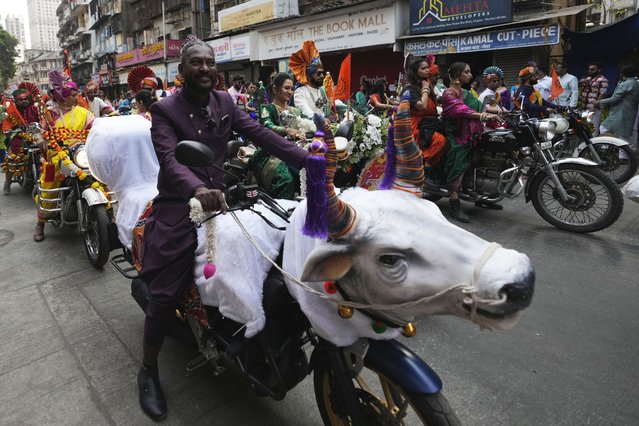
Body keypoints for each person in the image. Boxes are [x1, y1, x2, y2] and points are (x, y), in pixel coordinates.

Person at [136, 36, 309, 421]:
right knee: (163, 293)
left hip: (225, 196)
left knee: (281, 240)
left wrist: (309, 159)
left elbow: (261, 135)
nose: (205, 69)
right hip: (181, 205)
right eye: (195, 63)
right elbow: (169, 159)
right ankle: (148, 369)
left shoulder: (226, 101)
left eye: (210, 63)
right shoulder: (165, 110)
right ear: (181, 72)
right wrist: (196, 188)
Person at [33, 70, 95, 242]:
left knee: (101, 174)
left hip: (82, 153)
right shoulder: (50, 114)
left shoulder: (83, 112)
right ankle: (40, 223)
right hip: (58, 155)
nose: (77, 97)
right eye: (73, 95)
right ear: (63, 96)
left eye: (77, 94)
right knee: (49, 180)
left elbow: (95, 127)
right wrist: (41, 141)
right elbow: (40, 133)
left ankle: (107, 212)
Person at [441, 62, 503, 222]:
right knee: (459, 156)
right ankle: (454, 201)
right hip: (455, 135)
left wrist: (499, 111)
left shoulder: (466, 93)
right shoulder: (449, 93)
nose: (470, 75)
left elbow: (478, 106)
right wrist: (482, 116)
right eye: (467, 72)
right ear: (457, 75)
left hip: (469, 133)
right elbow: (460, 109)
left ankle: (483, 196)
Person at [249, 72, 308, 199]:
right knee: (286, 180)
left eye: (292, 89)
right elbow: (267, 126)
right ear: (276, 88)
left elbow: (307, 124)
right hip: (272, 152)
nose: (290, 92)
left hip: (295, 150)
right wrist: (286, 130)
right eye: (286, 88)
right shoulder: (267, 108)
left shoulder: (296, 111)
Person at [405, 55, 447, 167]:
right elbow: (422, 106)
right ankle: (423, 168)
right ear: (415, 71)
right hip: (418, 126)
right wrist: (425, 88)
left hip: (430, 123)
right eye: (423, 68)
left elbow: (434, 104)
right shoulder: (409, 89)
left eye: (427, 67)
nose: (427, 70)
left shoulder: (429, 85)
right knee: (439, 141)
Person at [2, 84, 43, 194]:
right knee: (11, 157)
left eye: (26, 99)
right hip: (18, 138)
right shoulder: (12, 111)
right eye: (21, 100)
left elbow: (43, 122)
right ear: (16, 101)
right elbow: (7, 126)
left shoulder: (35, 109)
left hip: (35, 137)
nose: (24, 101)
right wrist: (14, 130)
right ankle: (7, 182)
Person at [595, 65, 639, 142]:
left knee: (604, 128)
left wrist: (599, 101)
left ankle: (609, 146)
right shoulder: (635, 83)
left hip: (621, 113)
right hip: (629, 112)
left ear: (622, 74)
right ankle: (613, 146)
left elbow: (615, 99)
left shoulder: (626, 84)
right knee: (623, 137)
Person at [291, 40, 329, 118]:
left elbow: (336, 102)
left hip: (327, 127)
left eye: (323, 73)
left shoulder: (323, 90)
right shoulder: (300, 92)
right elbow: (305, 111)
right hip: (311, 128)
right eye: (318, 73)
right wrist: (321, 121)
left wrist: (352, 112)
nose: (322, 76)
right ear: (309, 76)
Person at [578, 62, 609, 136]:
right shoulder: (587, 78)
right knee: (584, 127)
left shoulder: (602, 80)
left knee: (593, 127)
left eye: (592, 69)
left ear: (599, 70)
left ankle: (593, 144)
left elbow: (603, 93)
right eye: (589, 69)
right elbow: (579, 87)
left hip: (594, 108)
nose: (590, 71)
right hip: (584, 107)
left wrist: (595, 105)